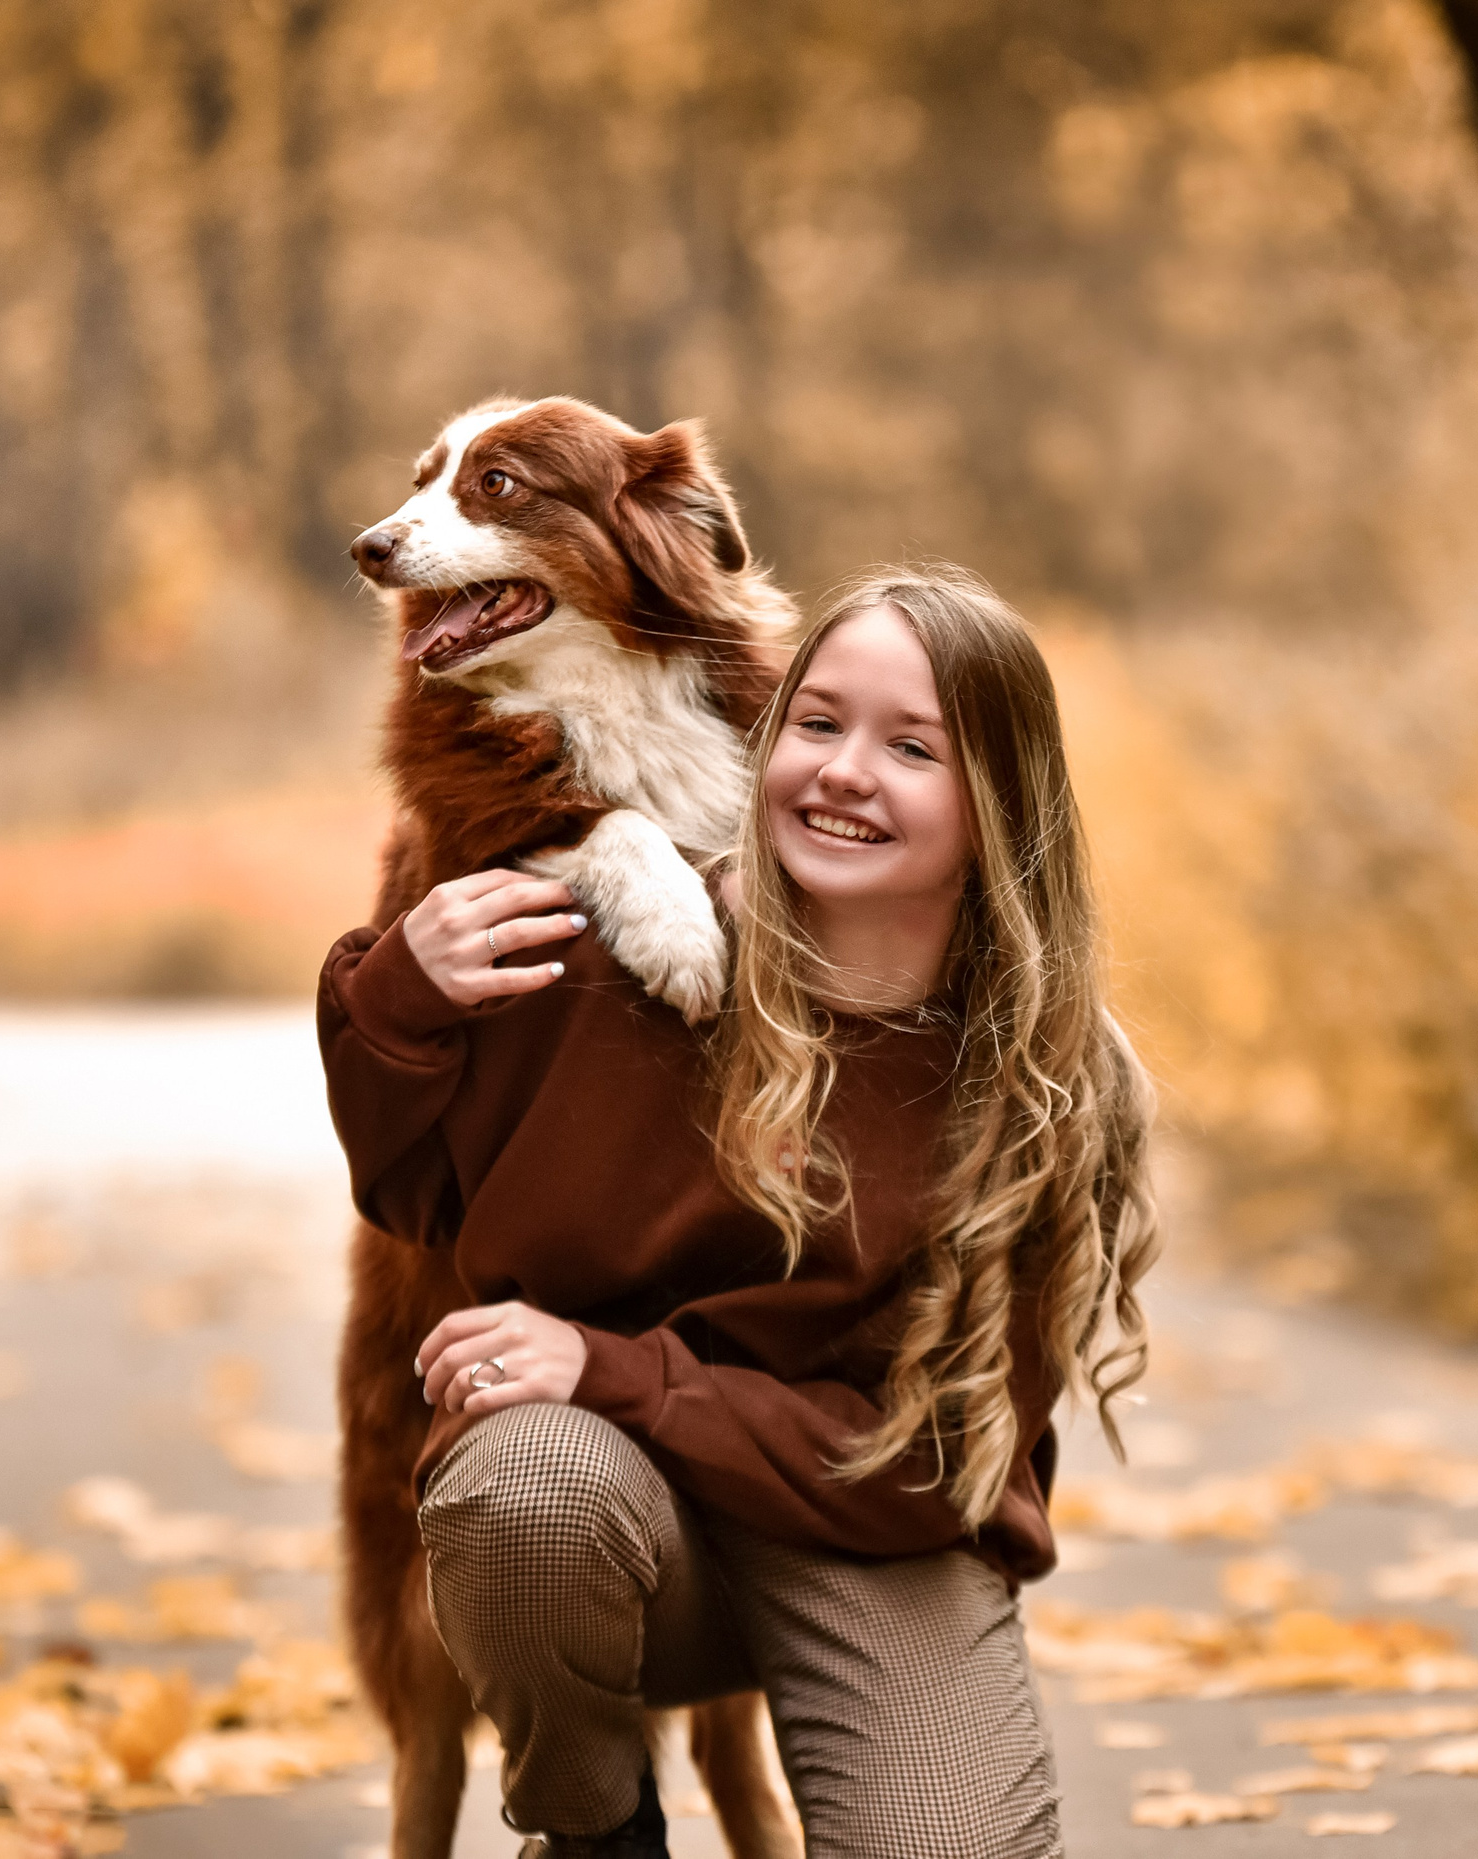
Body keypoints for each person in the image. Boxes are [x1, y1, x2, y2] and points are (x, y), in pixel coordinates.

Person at [318, 564, 1159, 1857]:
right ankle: (594, 1832)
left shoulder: (1045, 1084)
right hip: (623, 1521)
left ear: (997, 806)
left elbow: (937, 1468)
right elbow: (409, 1183)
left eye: (910, 747)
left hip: (878, 1539)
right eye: (816, 724)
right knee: (523, 1479)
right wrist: (397, 996)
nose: (841, 772)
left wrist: (622, 1372)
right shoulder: (638, 960)